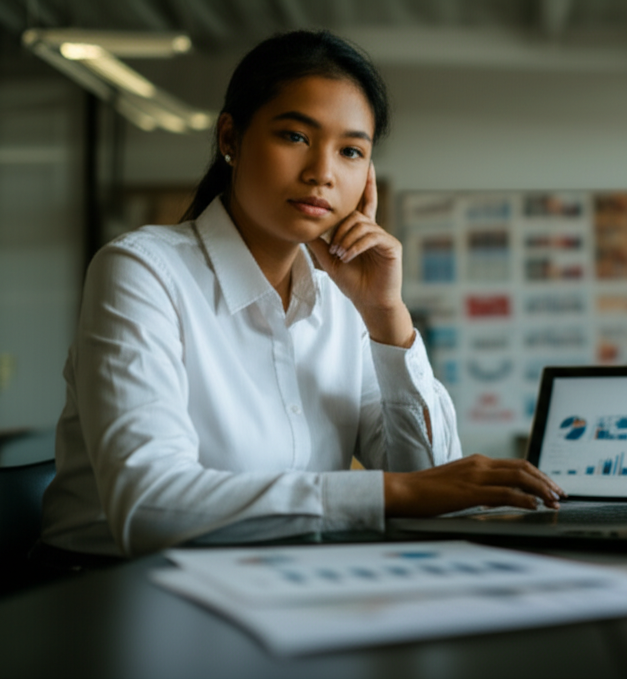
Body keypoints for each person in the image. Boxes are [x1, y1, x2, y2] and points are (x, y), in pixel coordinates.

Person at [38, 29, 564, 560]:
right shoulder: (142, 270)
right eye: (295, 136)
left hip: (287, 579)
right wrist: (394, 495)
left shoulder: (343, 302)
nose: (322, 174)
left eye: (351, 151)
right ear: (230, 139)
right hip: (114, 587)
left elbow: (435, 483)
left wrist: (385, 314)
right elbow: (148, 506)